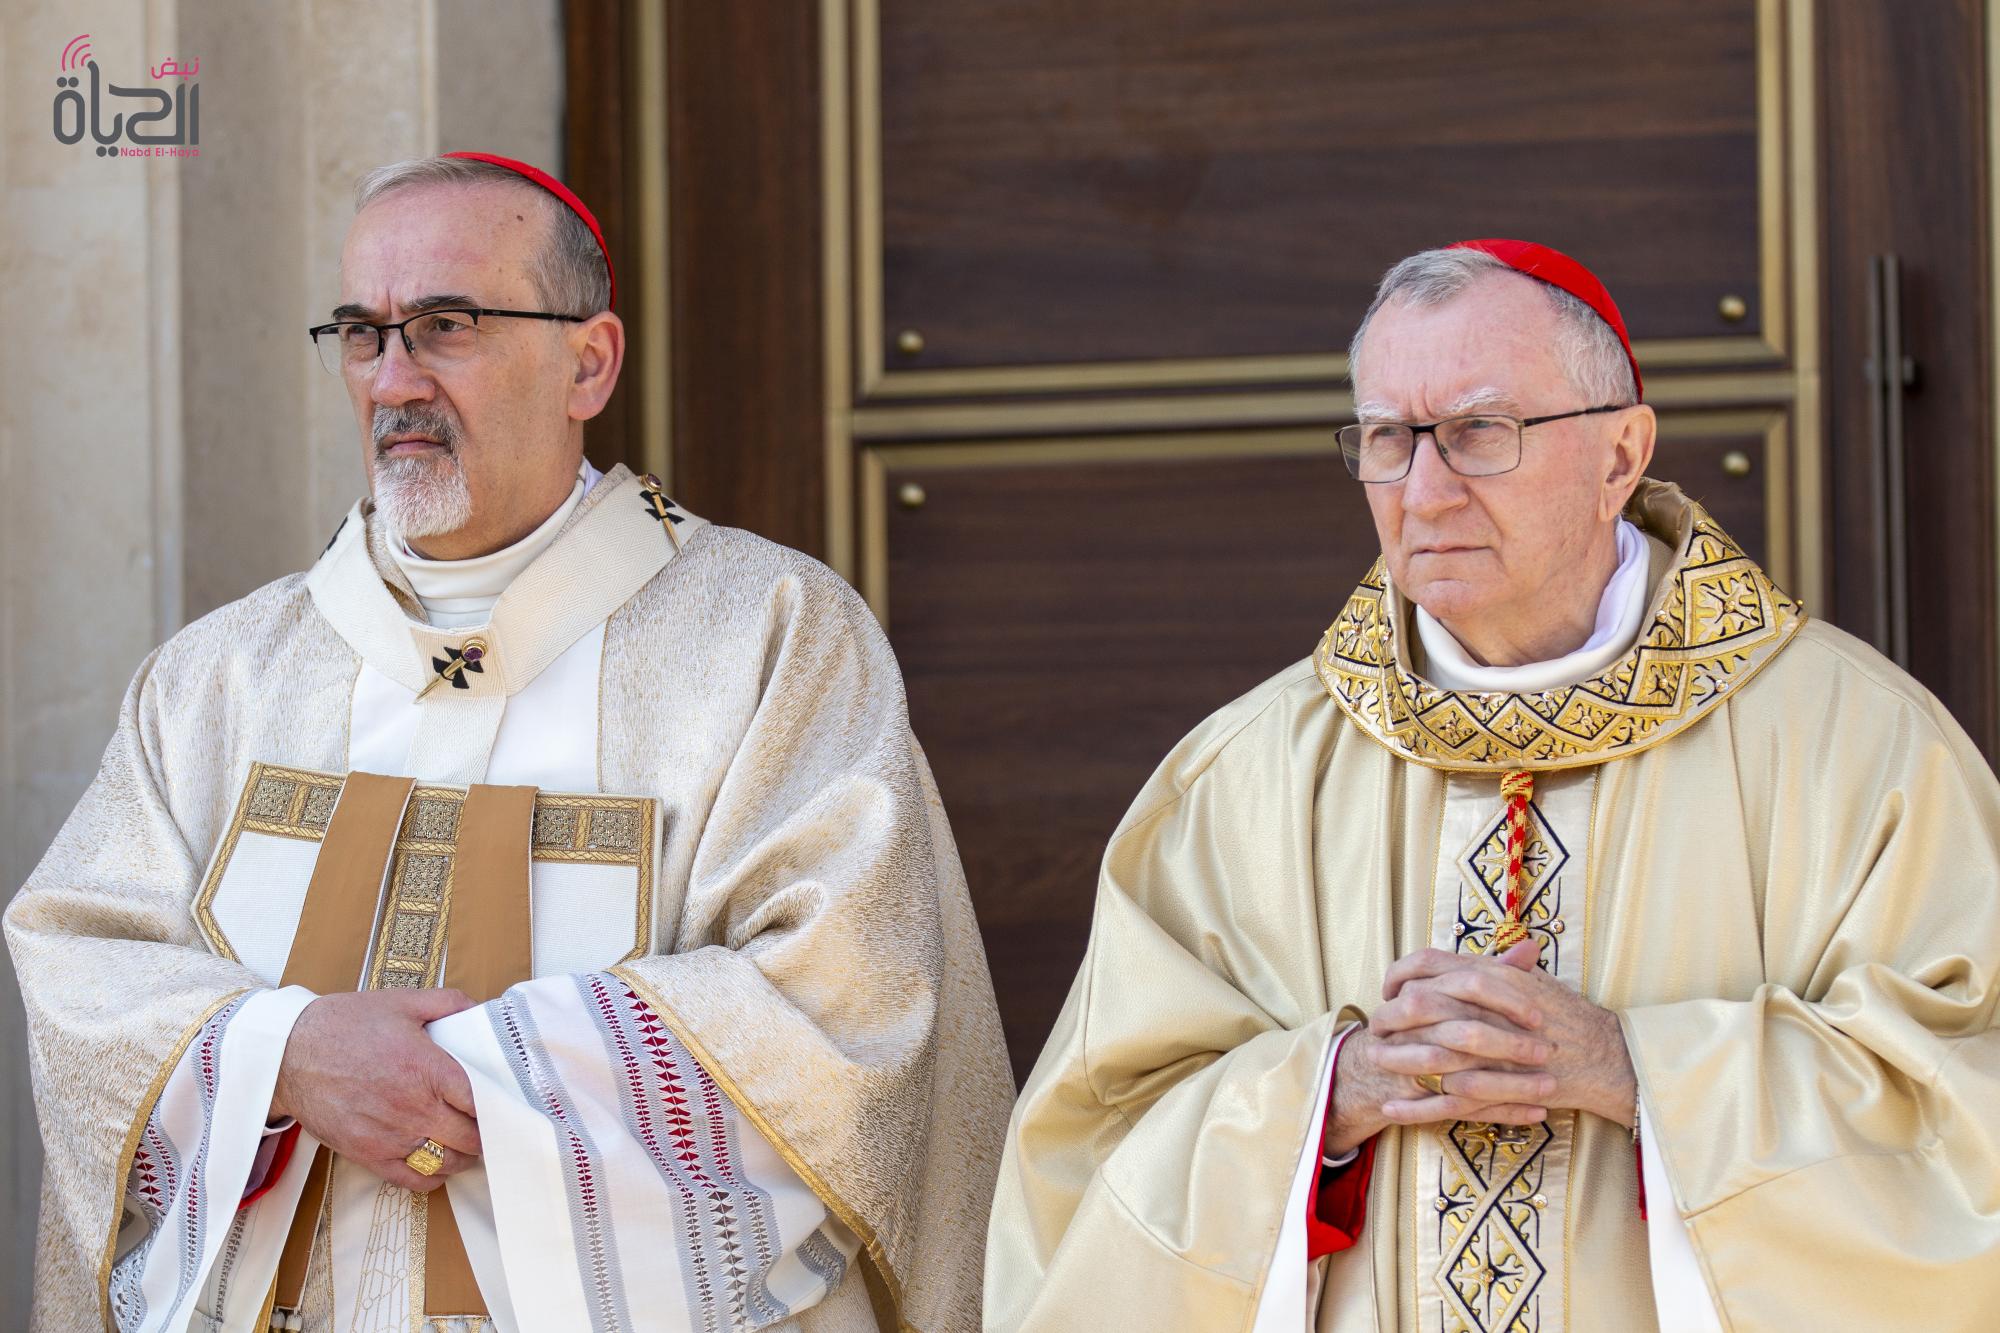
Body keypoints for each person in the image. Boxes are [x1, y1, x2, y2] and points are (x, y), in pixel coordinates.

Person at [7, 151, 1012, 1333]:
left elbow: (846, 1006)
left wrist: (478, 1080)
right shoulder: (218, 678)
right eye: (361, 333)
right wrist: (283, 1054)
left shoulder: (766, 638)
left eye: (445, 325)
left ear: (590, 361)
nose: (392, 380)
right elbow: (80, 958)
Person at [983, 239, 2000, 1331]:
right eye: (1385, 438)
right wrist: (1330, 1097)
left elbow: (1960, 1118)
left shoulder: (1855, 746)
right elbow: (1090, 1153)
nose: (1422, 490)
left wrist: (1634, 1071)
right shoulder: (1242, 779)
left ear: (1620, 453)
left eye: (1477, 431)